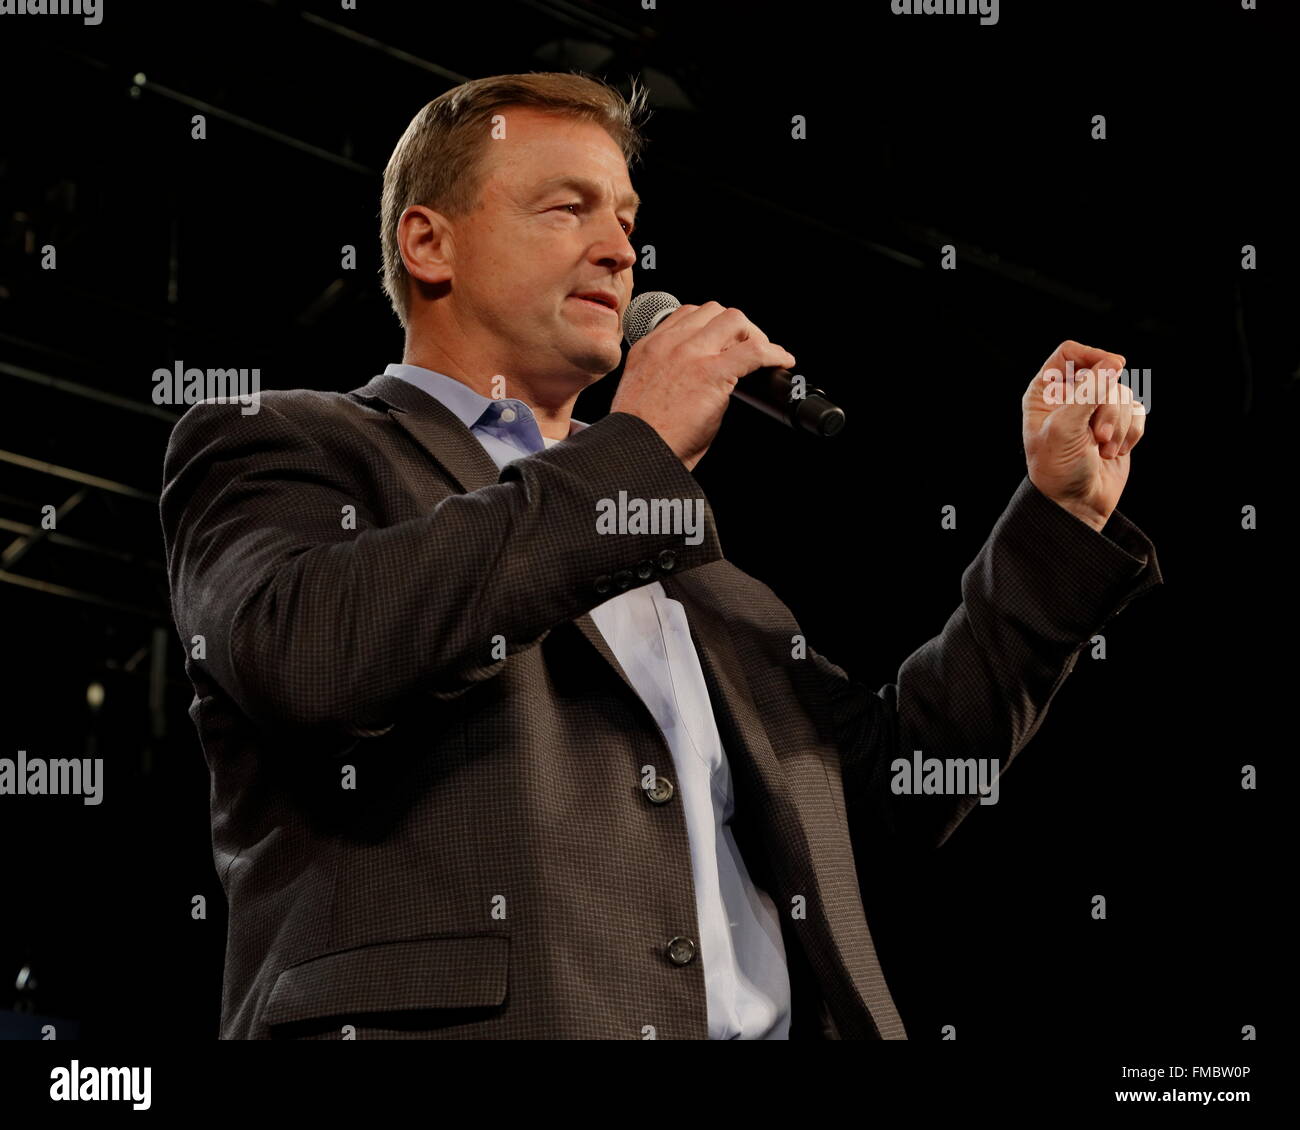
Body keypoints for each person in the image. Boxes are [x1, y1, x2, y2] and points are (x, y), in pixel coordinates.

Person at [160, 71, 1162, 1040]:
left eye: (627, 223)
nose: (617, 251)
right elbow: (312, 652)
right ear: (430, 242)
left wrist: (1055, 522)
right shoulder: (282, 441)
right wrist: (633, 448)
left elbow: (897, 791)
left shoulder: (691, 568)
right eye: (567, 209)